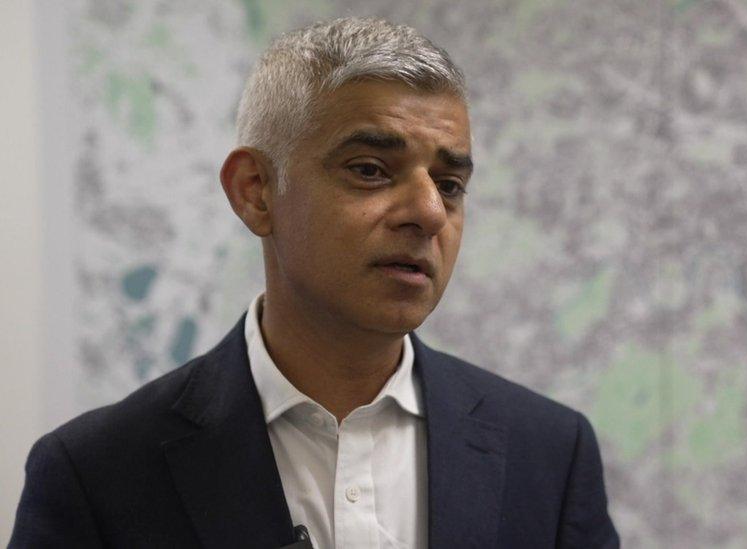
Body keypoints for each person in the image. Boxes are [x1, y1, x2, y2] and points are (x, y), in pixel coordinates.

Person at [10, 17, 619, 549]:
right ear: (255, 192)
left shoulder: (550, 454)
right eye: (370, 170)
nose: (429, 212)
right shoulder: (97, 473)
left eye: (450, 185)